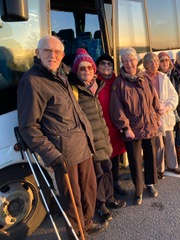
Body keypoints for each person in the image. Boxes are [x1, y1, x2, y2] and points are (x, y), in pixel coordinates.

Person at [17, 36, 107, 240]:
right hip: (64, 152)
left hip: (82, 144)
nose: (53, 55)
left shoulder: (62, 73)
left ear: (63, 56)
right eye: (47, 51)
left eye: (57, 52)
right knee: (72, 199)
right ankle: (76, 234)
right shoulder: (32, 81)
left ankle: (86, 224)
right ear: (37, 53)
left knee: (89, 190)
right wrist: (52, 155)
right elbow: (28, 127)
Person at [69, 48, 126, 223]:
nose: (86, 71)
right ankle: (100, 206)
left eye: (89, 68)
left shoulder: (96, 86)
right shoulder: (74, 90)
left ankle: (110, 199)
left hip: (103, 139)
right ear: (76, 71)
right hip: (90, 142)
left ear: (94, 70)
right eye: (82, 68)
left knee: (107, 170)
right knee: (97, 176)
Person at [109, 47, 161, 206]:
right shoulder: (119, 82)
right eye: (125, 61)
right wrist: (125, 128)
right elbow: (116, 108)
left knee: (150, 157)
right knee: (135, 160)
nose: (129, 63)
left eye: (131, 60)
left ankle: (150, 184)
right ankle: (138, 190)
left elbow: (154, 99)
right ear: (122, 63)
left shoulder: (144, 78)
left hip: (149, 125)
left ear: (136, 61)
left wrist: (157, 116)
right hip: (132, 129)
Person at [142, 52, 180, 179]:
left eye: (155, 61)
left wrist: (168, 107)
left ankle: (173, 165)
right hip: (152, 116)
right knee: (158, 144)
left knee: (170, 141)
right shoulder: (142, 78)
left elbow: (174, 96)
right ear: (145, 65)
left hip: (166, 114)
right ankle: (160, 168)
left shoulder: (163, 77)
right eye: (150, 62)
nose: (154, 64)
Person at [95, 53, 128, 196]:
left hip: (114, 125)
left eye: (109, 64)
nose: (106, 66)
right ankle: (106, 189)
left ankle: (116, 183)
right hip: (101, 126)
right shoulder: (93, 81)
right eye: (103, 63)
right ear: (97, 66)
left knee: (114, 156)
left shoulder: (116, 80)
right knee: (104, 158)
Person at [158, 51, 180, 164]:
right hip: (164, 109)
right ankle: (167, 158)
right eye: (162, 60)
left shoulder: (175, 73)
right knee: (168, 134)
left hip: (177, 107)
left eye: (167, 60)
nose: (165, 63)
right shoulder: (156, 75)